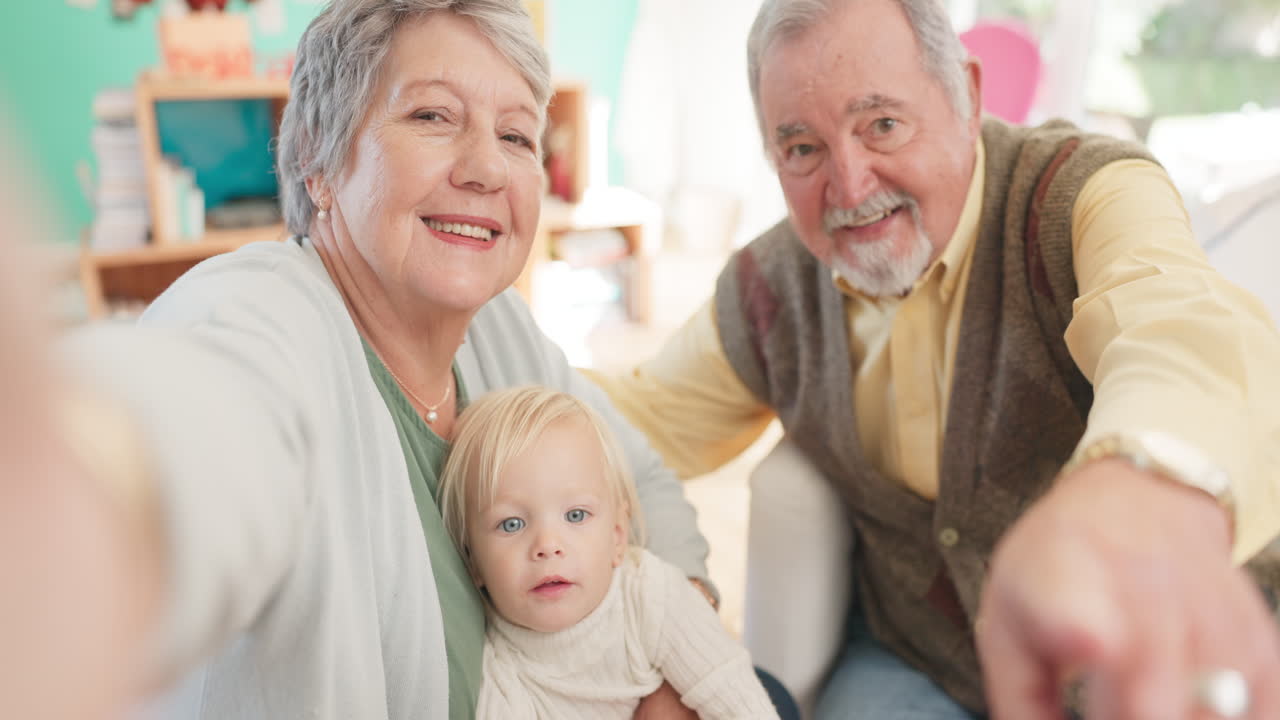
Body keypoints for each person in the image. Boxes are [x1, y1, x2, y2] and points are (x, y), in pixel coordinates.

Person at [587, 0, 1280, 718]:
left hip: (1163, 657)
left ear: (968, 97)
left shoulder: (1082, 192)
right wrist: (500, 352)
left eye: (882, 125)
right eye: (803, 149)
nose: (850, 186)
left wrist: (1142, 487)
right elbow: (636, 421)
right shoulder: (770, 286)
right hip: (924, 662)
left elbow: (1178, 328)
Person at [52, 1, 716, 718]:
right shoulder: (260, 317)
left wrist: (675, 675)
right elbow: (182, 436)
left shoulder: (500, 328)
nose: (487, 167)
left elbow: (641, 483)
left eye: (516, 135)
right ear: (317, 158)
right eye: (433, 116)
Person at [437, 385, 785, 719]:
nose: (547, 545)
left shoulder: (651, 596)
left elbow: (741, 703)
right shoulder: (493, 675)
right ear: (473, 562)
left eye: (576, 515)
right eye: (512, 524)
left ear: (618, 537)